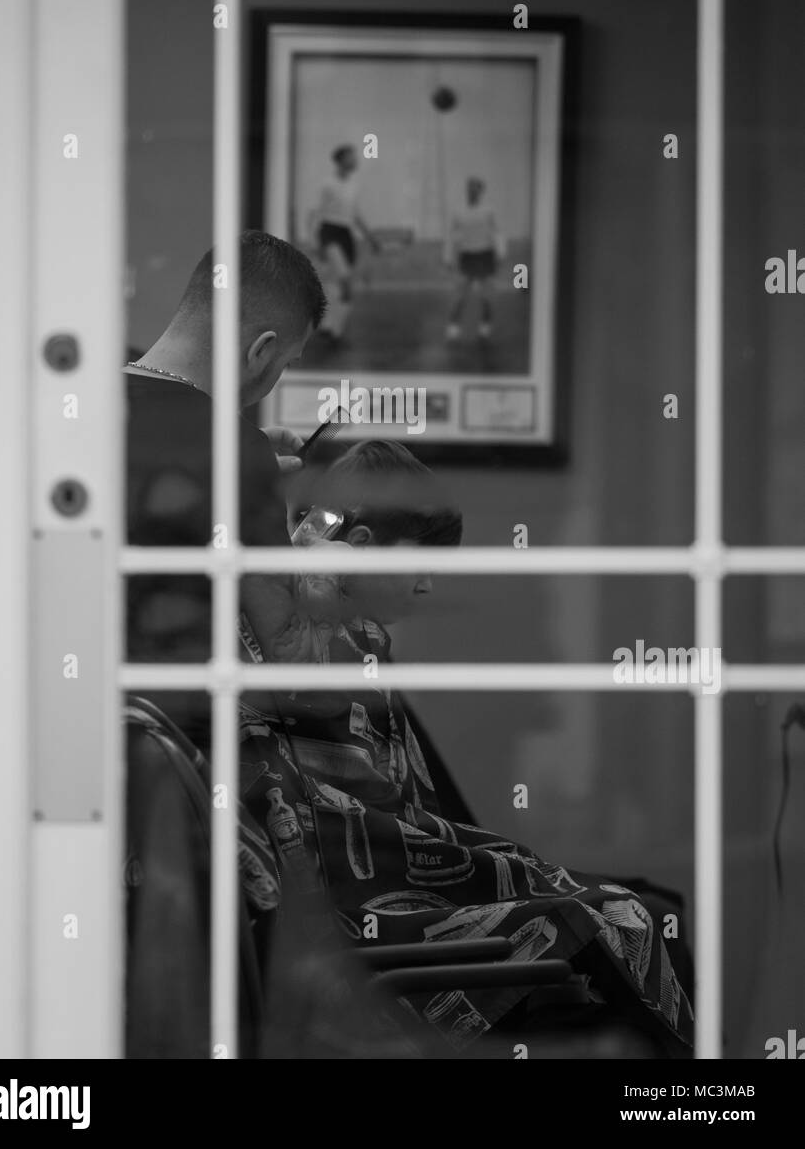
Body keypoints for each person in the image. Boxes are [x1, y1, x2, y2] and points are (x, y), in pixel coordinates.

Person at [238, 440, 694, 1058]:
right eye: (420, 563)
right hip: (361, 909)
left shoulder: (356, 643)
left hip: (391, 878)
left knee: (644, 909)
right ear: (361, 546)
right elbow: (360, 833)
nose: (429, 585)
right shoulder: (307, 651)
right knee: (626, 914)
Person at [124, 231, 330, 661]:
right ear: (261, 351)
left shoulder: (81, 401)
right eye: (287, 364)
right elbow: (290, 655)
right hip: (175, 717)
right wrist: (322, 565)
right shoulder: (239, 453)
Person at [308, 143, 380, 345]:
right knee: (345, 279)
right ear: (340, 160)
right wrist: (314, 241)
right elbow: (314, 214)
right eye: (351, 156)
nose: (355, 160)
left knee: (338, 284)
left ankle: (332, 325)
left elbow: (356, 215)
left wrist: (371, 238)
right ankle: (333, 328)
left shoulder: (354, 185)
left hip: (346, 234)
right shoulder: (327, 184)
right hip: (329, 232)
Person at [444, 174, 505, 342]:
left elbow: (497, 233)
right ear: (467, 190)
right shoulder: (458, 212)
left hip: (485, 256)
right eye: (469, 188)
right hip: (467, 257)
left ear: (480, 192)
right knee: (458, 295)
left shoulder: (489, 211)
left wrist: (501, 253)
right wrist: (448, 257)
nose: (472, 191)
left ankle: (485, 325)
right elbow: (451, 236)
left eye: (475, 188)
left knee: (487, 297)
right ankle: (453, 326)